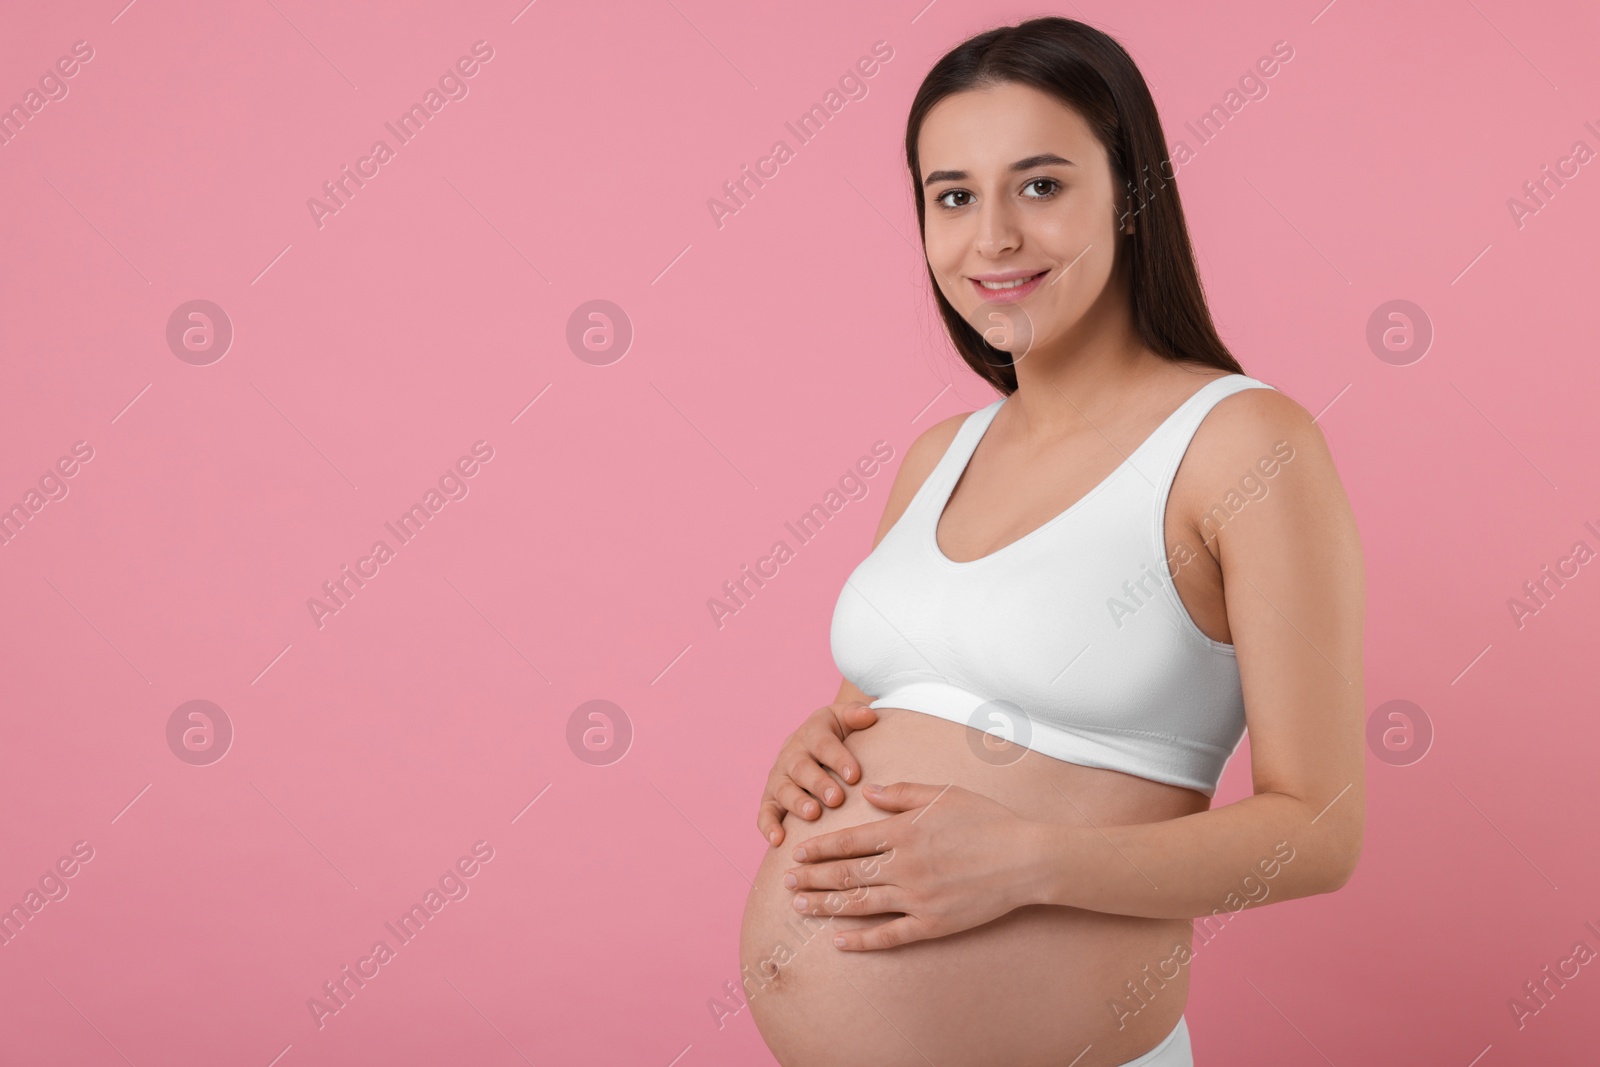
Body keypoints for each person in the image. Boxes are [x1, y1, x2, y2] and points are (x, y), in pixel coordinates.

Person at [739, 16, 1365, 1067]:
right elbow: (898, 706)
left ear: (1129, 195)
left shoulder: (1241, 444)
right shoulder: (939, 453)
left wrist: (1028, 862)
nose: (990, 238)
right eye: (952, 195)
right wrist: (817, 750)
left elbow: (1318, 829)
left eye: (1038, 186)